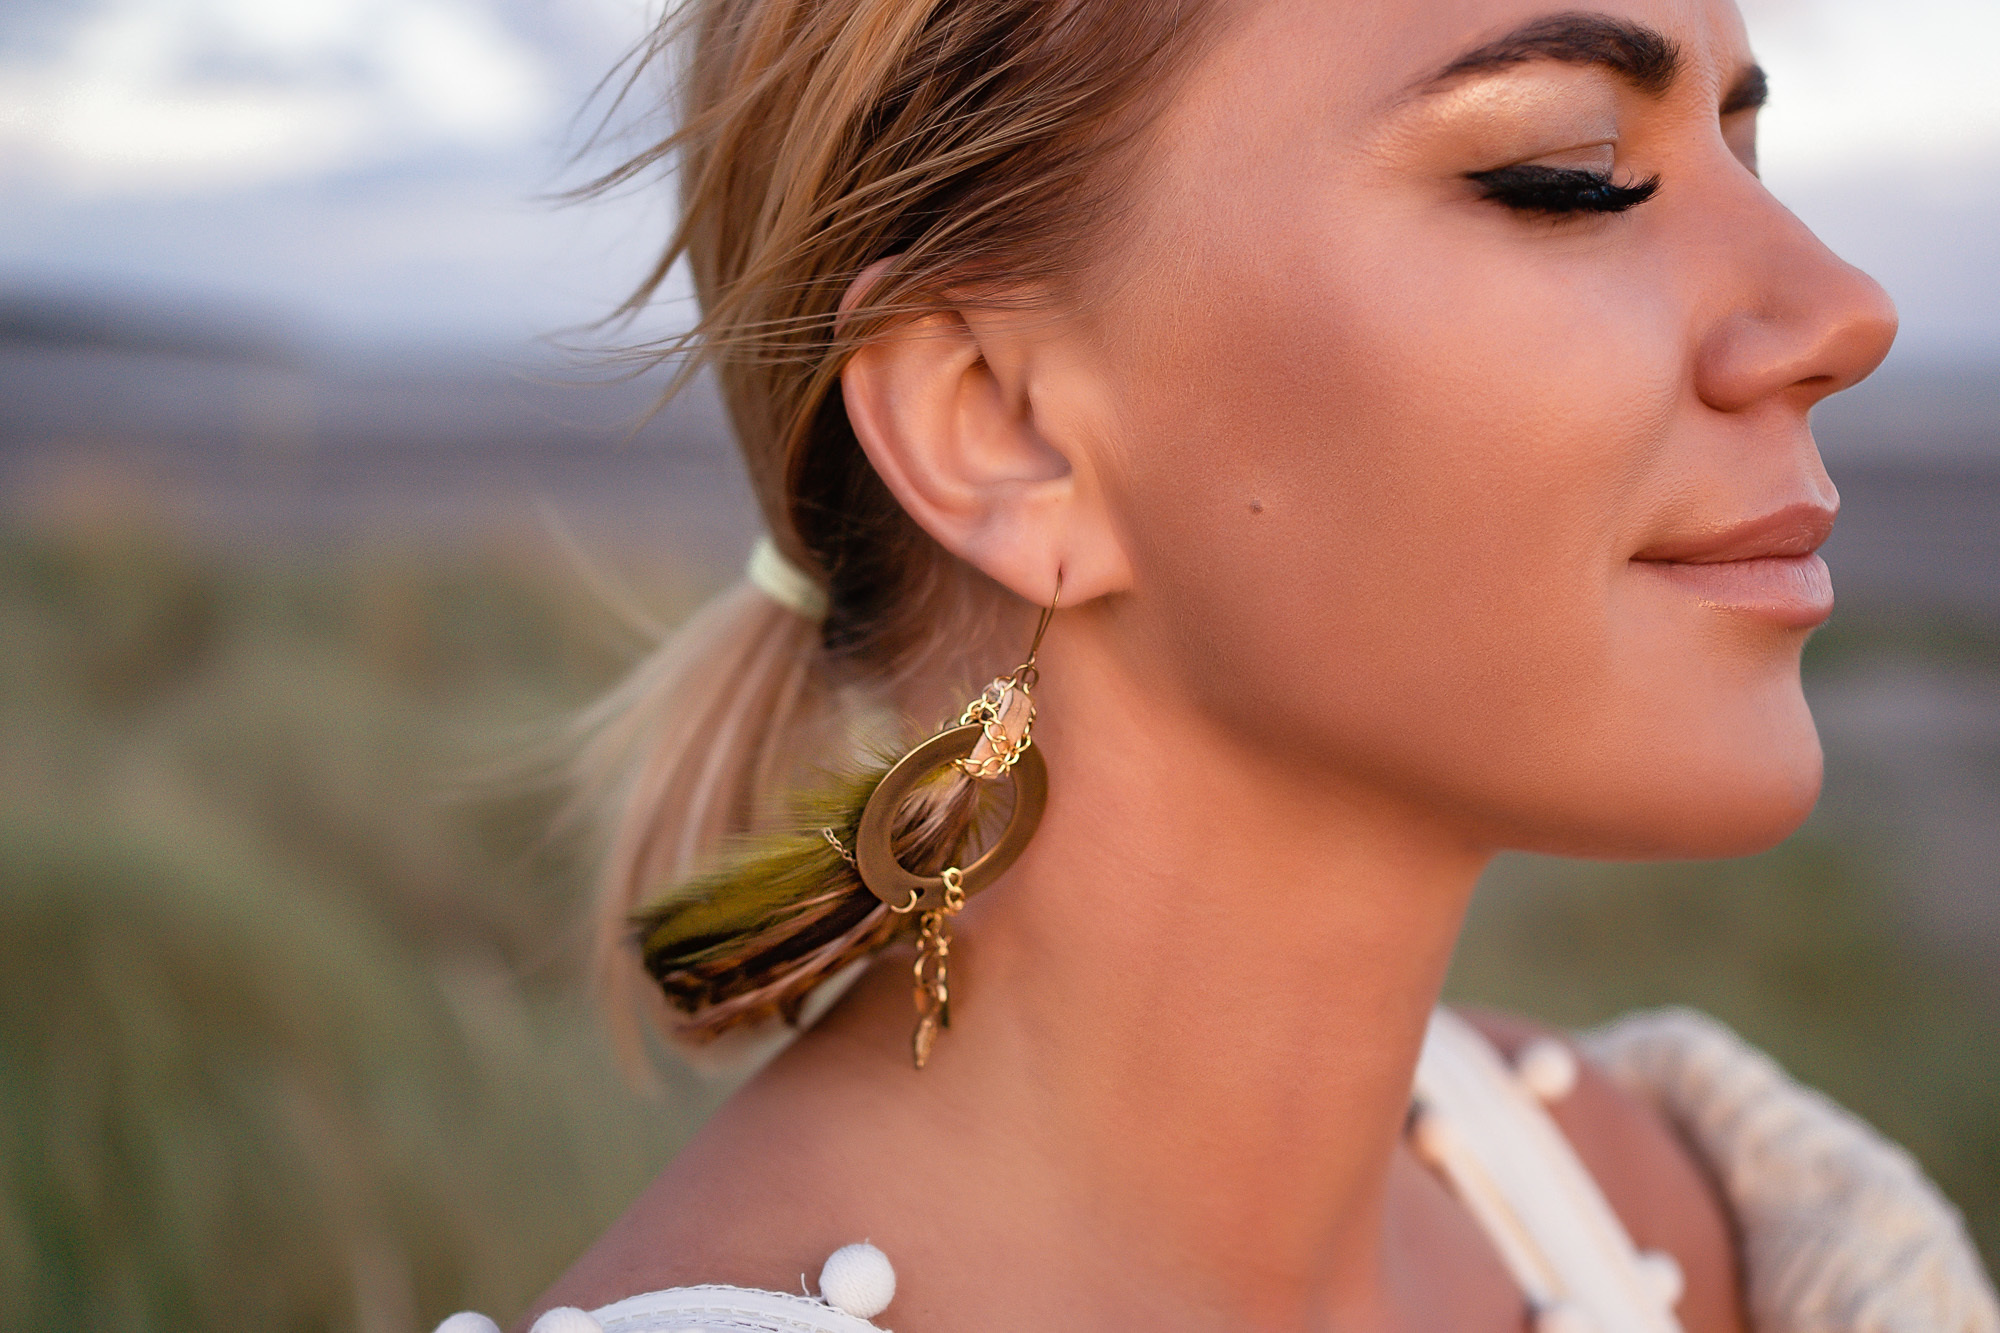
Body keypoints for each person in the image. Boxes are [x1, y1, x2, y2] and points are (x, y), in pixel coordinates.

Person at [443, 0, 2000, 1329]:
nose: (1842, 309)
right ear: (1002, 425)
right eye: (1572, 175)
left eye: (1743, 147)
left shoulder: (1718, 1206)